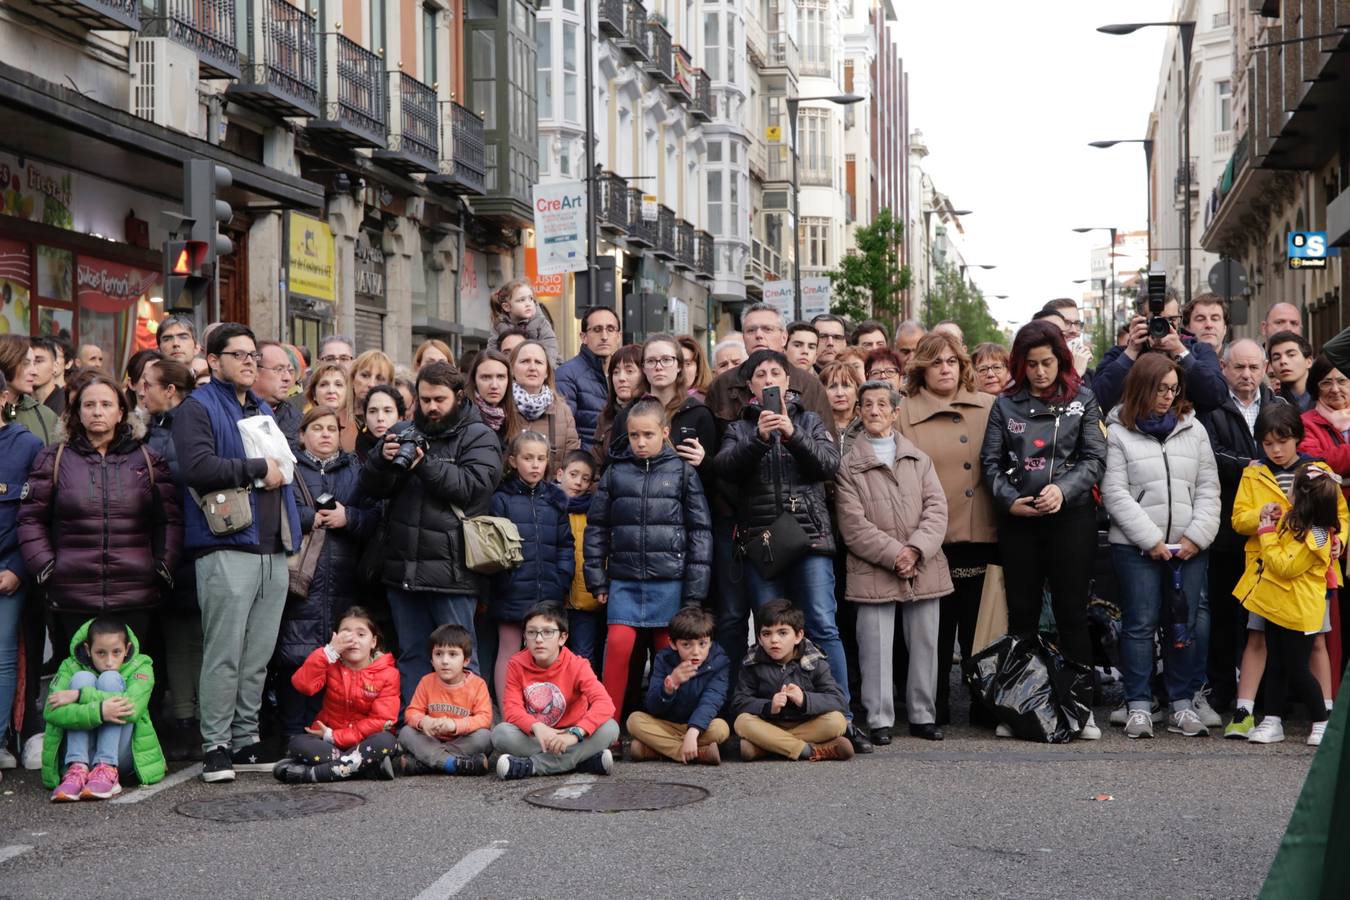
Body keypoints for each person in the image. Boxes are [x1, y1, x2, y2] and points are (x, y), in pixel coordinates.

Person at [714, 349, 871, 752]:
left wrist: (793, 433)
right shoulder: (739, 427)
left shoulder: (810, 420)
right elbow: (726, 469)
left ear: (789, 381)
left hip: (811, 537)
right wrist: (761, 439)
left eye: (776, 372)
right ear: (749, 386)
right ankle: (766, 715)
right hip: (761, 542)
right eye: (760, 374)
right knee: (768, 628)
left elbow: (828, 465)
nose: (769, 378)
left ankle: (843, 718)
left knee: (821, 624)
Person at [171, 323, 301, 782]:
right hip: (226, 543)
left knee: (257, 655)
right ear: (212, 360)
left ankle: (245, 740)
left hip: (271, 545)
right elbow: (197, 468)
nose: (249, 362)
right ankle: (216, 746)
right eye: (239, 354)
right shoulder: (197, 407)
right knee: (224, 652)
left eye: (253, 356)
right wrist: (258, 469)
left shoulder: (262, 407)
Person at [980, 320, 1107, 740]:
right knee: (1022, 617)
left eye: (1047, 362)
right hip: (1020, 521)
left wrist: (1063, 491)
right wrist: (1008, 500)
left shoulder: (1083, 400)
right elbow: (991, 463)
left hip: (1070, 519)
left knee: (1073, 614)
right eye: (1031, 364)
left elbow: (1094, 459)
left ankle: (1080, 710)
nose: (1039, 372)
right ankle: (1019, 708)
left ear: (1061, 360)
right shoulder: (1004, 404)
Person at [360, 362, 502, 707]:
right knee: (411, 656)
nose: (431, 407)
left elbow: (474, 487)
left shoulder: (479, 435)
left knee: (461, 658)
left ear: (458, 396)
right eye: (424, 400)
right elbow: (370, 488)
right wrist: (380, 459)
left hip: (453, 573)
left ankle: (470, 733)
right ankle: (415, 730)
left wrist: (424, 464)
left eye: (439, 399)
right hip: (403, 569)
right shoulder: (403, 430)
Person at [1101, 354, 1221, 739]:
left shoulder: (1194, 428)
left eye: (1174, 388)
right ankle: (1138, 704)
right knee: (1140, 623)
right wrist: (1150, 539)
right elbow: (1114, 493)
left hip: (1188, 547)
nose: (1168, 396)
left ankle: (1182, 704)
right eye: (1160, 388)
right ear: (1142, 387)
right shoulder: (1118, 429)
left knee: (1184, 624)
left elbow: (1208, 489)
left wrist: (1194, 538)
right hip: (1136, 546)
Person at [18, 373, 181, 654]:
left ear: (120, 413)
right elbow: (31, 519)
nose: (97, 411)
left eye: (106, 404)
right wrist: (47, 567)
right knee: (77, 682)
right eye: (89, 405)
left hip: (135, 592)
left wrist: (162, 566)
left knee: (132, 684)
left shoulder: (147, 459)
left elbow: (169, 520)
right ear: (77, 413)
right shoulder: (54, 458)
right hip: (72, 592)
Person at [836, 381, 952, 744]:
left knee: (924, 644)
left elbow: (937, 508)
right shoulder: (848, 467)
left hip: (923, 564)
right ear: (859, 412)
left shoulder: (919, 458)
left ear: (895, 412)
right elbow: (852, 525)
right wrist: (894, 554)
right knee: (874, 645)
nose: (874, 411)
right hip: (873, 567)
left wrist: (915, 549)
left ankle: (922, 715)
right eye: (866, 405)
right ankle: (880, 718)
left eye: (881, 405)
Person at [586, 397, 712, 721]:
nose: (640, 442)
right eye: (633, 436)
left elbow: (700, 532)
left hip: (669, 579)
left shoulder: (683, 473)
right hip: (624, 578)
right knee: (617, 645)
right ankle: (608, 725)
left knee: (668, 653)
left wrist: (694, 592)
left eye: (648, 435)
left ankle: (670, 722)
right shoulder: (615, 473)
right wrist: (597, 578)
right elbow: (597, 528)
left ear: (665, 432)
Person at [1224, 405, 1346, 739]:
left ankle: (1325, 711)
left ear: (1297, 438)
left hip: (1307, 576)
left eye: (1283, 441)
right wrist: (1262, 515)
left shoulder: (1318, 470)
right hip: (1265, 575)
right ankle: (1247, 710)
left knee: (1316, 641)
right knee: (1259, 638)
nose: (1276, 450)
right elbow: (1238, 519)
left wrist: (1339, 542)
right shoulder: (1254, 472)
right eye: (1267, 444)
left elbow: (1341, 516)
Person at [897, 333, 998, 726]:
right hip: (929, 536)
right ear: (921, 367)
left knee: (981, 627)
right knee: (934, 632)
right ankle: (931, 704)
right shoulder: (903, 412)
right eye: (936, 362)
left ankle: (983, 702)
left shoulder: (990, 406)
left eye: (952, 361)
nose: (945, 368)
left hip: (981, 531)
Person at [274, 406, 378, 738]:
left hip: (344, 582)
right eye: (316, 428)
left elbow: (374, 517)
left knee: (337, 661)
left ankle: (327, 734)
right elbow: (275, 512)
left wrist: (350, 519)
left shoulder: (356, 470)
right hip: (300, 581)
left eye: (331, 428)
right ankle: (292, 734)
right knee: (295, 657)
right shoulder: (288, 469)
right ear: (302, 435)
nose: (325, 434)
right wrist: (309, 518)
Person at [1196, 339, 1282, 719]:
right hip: (1227, 526)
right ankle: (1220, 690)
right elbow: (1210, 454)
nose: (1246, 375)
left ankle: (1262, 694)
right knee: (1224, 613)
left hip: (1271, 534)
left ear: (1265, 368)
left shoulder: (1280, 407)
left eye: (1253, 368)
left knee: (1265, 616)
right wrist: (1250, 465)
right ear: (1224, 368)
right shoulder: (1211, 408)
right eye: (1238, 368)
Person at [1239, 465, 1339, 746]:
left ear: (1304, 497)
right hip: (1276, 606)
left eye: (1293, 488)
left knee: (1297, 668)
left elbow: (1284, 565)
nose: (1288, 492)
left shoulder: (1316, 535)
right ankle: (1272, 720)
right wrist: (1271, 516)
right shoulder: (1294, 522)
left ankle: (1321, 721)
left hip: (1299, 613)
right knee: (1277, 666)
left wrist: (1267, 533)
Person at [134, 357, 202, 760]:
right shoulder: (152, 429)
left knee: (190, 640)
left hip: (184, 541)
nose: (142, 392)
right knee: (180, 638)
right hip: (171, 545)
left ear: (170, 391)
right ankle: (185, 720)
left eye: (149, 385)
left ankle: (189, 721)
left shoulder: (175, 431)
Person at [488, 431, 574, 702]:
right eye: (528, 458)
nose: (535, 465)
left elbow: (565, 544)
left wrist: (562, 577)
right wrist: (505, 580)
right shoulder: (501, 498)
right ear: (513, 460)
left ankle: (547, 708)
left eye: (541, 458)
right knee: (510, 650)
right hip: (511, 589)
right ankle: (507, 713)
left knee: (547, 652)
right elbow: (493, 546)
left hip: (549, 587)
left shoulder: (555, 499)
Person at [491, 602, 620, 780]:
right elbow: (512, 709)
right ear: (524, 637)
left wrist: (575, 734)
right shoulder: (516, 664)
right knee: (501, 733)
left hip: (573, 733)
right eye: (532, 632)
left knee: (611, 728)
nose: (538, 639)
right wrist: (537, 727)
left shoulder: (578, 665)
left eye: (547, 632)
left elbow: (604, 704)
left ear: (562, 637)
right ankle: (581, 761)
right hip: (537, 736)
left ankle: (533, 766)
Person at [272, 607, 400, 783]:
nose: (353, 640)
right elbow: (303, 685)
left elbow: (382, 720)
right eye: (346, 634)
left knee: (387, 740)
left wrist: (335, 736)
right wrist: (328, 652)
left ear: (374, 642)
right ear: (336, 637)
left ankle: (313, 774)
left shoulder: (388, 673)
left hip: (365, 742)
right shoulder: (331, 664)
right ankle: (365, 768)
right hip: (332, 743)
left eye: (361, 635)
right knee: (297, 744)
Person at [43, 617, 164, 801]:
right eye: (101, 653)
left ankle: (107, 768)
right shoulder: (69, 666)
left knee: (110, 679)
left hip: (119, 756)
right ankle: (77, 769)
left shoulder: (142, 665)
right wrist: (100, 711)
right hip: (81, 752)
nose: (109, 661)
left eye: (117, 652)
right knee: (82, 677)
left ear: (128, 649)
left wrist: (79, 695)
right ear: (87, 649)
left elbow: (132, 708)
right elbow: (51, 711)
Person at [730, 599, 854, 762]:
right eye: (767, 634)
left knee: (837, 721)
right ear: (759, 638)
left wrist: (805, 700)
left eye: (782, 633)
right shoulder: (753, 663)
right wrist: (768, 707)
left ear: (798, 636)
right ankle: (809, 751)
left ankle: (764, 748)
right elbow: (739, 702)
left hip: (807, 725)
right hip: (769, 725)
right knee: (742, 722)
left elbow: (839, 700)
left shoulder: (814, 661)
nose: (774, 640)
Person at [704, 304, 835, 436]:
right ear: (744, 338)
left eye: (767, 329)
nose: (759, 335)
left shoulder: (809, 385)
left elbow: (827, 450)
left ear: (784, 337)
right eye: (751, 330)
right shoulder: (722, 384)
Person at [0, 370, 42, 774]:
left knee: (2, 658)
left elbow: (35, 515)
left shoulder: (26, 445)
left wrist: (17, 568)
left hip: (8, 570)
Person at [1091, 292, 1228, 415]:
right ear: (1140, 321)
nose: (1164, 327)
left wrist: (1180, 352)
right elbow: (1097, 403)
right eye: (1156, 321)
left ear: (1179, 321)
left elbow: (1216, 396)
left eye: (1171, 320)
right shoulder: (1120, 355)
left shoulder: (1199, 351)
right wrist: (1131, 352)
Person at [626, 606, 730, 765]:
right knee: (634, 720)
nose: (696, 652)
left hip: (701, 728)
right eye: (687, 645)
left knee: (721, 728)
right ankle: (695, 753)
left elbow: (711, 701)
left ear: (710, 642)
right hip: (668, 724)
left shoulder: (719, 661)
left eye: (702, 644)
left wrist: (692, 732)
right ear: (673, 644)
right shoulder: (664, 659)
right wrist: (670, 686)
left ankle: (654, 750)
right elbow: (652, 706)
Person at [1298, 355, 1350, 654]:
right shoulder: (1306, 423)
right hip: (1327, 527)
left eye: (1342, 380)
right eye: (1326, 382)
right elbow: (1316, 463)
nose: (1335, 388)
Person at [394, 623, 493, 776]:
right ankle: (452, 764)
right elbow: (412, 712)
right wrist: (423, 721)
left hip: (462, 740)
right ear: (432, 660)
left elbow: (484, 718)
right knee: (406, 733)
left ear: (466, 660)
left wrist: (455, 725)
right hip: (431, 739)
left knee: (485, 737)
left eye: (452, 654)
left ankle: (425, 764)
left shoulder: (477, 684)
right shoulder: (427, 681)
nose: (445, 661)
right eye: (438, 654)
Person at [639, 334, 717, 490]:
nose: (658, 366)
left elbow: (714, 480)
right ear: (643, 368)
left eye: (667, 360)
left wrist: (704, 462)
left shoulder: (699, 414)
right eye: (651, 361)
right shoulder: (631, 413)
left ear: (679, 365)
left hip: (684, 506)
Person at [557, 451, 604, 673]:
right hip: (555, 597)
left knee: (583, 656)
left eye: (585, 478)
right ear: (560, 474)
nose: (578, 482)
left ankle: (584, 704)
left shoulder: (594, 510)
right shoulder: (549, 505)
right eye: (573, 474)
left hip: (586, 598)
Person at [508, 340, 580, 472]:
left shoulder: (563, 411)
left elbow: (572, 464)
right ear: (512, 369)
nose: (532, 368)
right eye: (525, 361)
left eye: (539, 362)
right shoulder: (502, 408)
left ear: (547, 372)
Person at [556, 306, 620, 450]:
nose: (604, 336)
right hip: (585, 465)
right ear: (583, 337)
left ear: (618, 336)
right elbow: (563, 433)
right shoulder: (566, 375)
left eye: (610, 329)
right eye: (597, 330)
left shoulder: (623, 374)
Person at [486, 279, 561, 366]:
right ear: (507, 307)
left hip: (543, 368)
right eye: (522, 300)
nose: (528, 304)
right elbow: (492, 352)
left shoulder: (541, 322)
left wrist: (544, 368)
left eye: (531, 298)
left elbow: (550, 346)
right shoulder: (499, 326)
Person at [0, 336, 58, 444]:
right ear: (5, 362)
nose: (34, 371)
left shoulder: (46, 416)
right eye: (25, 363)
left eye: (34, 363)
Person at [593, 344, 644, 461]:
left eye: (629, 371)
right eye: (615, 372)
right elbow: (597, 461)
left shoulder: (654, 413)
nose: (621, 378)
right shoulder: (605, 417)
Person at [464, 349, 521, 451]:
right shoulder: (462, 418)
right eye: (486, 377)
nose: (494, 385)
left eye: (500, 377)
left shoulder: (514, 418)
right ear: (474, 380)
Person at [346, 350, 395, 452]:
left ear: (389, 385)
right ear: (353, 377)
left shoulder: (395, 422)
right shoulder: (337, 418)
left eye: (380, 378)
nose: (371, 384)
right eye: (365, 375)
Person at [256, 341, 301, 446]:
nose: (287, 378)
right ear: (255, 370)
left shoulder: (300, 422)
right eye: (279, 369)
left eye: (289, 370)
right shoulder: (233, 413)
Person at [821, 360, 863, 454]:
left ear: (857, 393)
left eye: (846, 386)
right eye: (832, 387)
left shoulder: (868, 427)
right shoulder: (815, 427)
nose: (839, 393)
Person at [1268, 331, 1314, 411]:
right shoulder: (1270, 403)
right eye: (1276, 358)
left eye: (1291, 355)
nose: (1283, 361)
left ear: (1309, 361)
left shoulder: (1326, 397)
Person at [29, 337, 65, 418]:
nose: (32, 367)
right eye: (27, 362)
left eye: (38, 361)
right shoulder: (16, 402)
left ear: (55, 366)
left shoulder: (66, 403)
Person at [678, 335, 714, 401]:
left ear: (698, 369)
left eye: (688, 364)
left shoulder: (704, 402)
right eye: (678, 363)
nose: (682, 370)